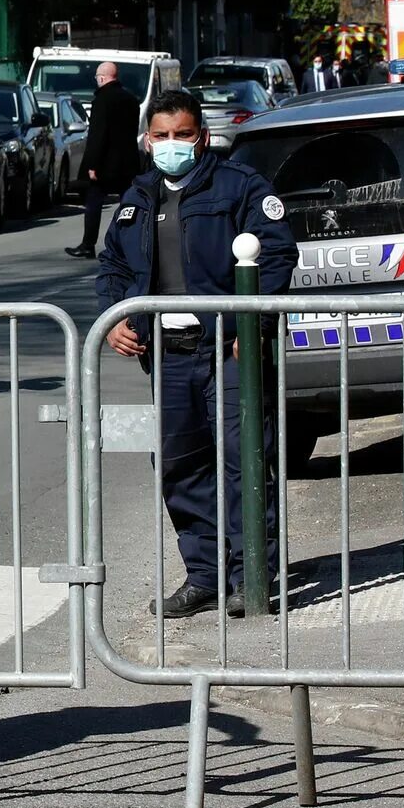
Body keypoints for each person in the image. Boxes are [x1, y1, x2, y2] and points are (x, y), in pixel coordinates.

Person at [95, 88, 294, 618]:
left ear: (202, 137)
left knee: (242, 463)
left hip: (229, 352)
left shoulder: (240, 187)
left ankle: (251, 578)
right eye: (161, 136)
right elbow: (113, 267)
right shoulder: (137, 199)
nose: (172, 145)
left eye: (182, 134)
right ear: (147, 141)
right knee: (181, 469)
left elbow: (275, 253)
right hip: (167, 354)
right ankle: (205, 575)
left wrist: (246, 323)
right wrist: (115, 319)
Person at [66, 61, 141, 259]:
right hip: (127, 162)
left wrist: (92, 164)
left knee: (93, 203)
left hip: (105, 163)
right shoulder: (131, 99)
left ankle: (88, 244)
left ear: (102, 77)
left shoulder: (101, 100)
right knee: (128, 205)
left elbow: (97, 135)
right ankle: (129, 244)